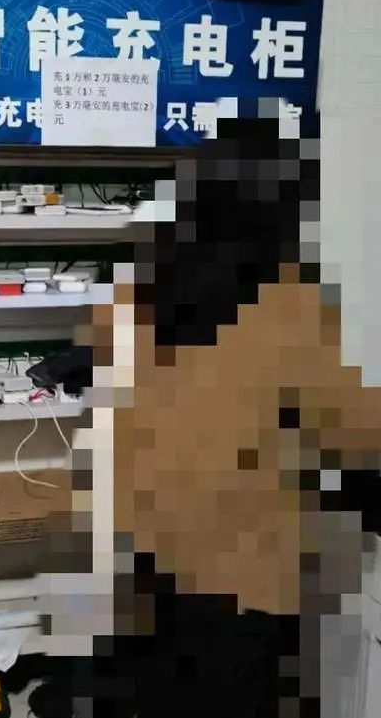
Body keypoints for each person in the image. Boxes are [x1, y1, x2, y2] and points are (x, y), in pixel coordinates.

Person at [33, 114, 381, 718]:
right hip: (237, 569)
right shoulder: (285, 304)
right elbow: (352, 433)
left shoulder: (138, 287)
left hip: (138, 553)